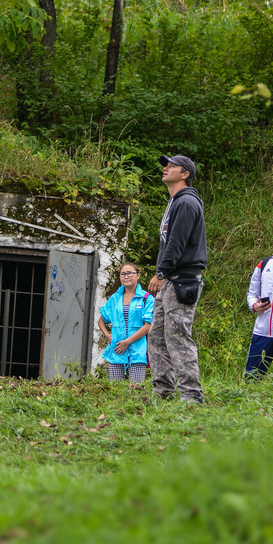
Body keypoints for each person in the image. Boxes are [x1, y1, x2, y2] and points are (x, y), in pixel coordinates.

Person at [147, 154, 207, 403]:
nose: (166, 168)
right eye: (165, 164)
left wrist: (161, 272)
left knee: (178, 336)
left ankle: (192, 395)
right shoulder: (175, 202)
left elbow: (176, 243)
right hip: (171, 278)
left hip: (181, 279)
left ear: (185, 175)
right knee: (157, 336)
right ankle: (163, 392)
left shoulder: (186, 203)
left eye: (172, 166)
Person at [98, 263, 154, 384]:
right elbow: (101, 320)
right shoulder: (115, 298)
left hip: (137, 349)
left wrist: (127, 342)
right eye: (123, 274)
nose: (126, 276)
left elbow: (148, 326)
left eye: (130, 273)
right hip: (117, 350)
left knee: (136, 388)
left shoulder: (146, 298)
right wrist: (108, 335)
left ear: (138, 275)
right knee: (116, 389)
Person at [244, 225, 273, 377]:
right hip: (262, 333)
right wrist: (255, 305)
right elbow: (251, 294)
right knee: (251, 380)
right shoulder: (263, 265)